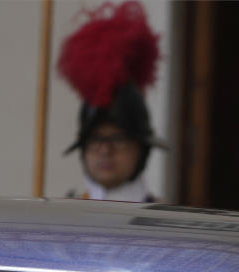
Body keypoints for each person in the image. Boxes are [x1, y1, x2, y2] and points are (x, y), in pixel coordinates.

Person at [57, 1, 164, 202]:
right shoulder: (66, 216)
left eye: (119, 139)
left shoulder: (167, 222)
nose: (105, 150)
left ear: (142, 149)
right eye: (95, 139)